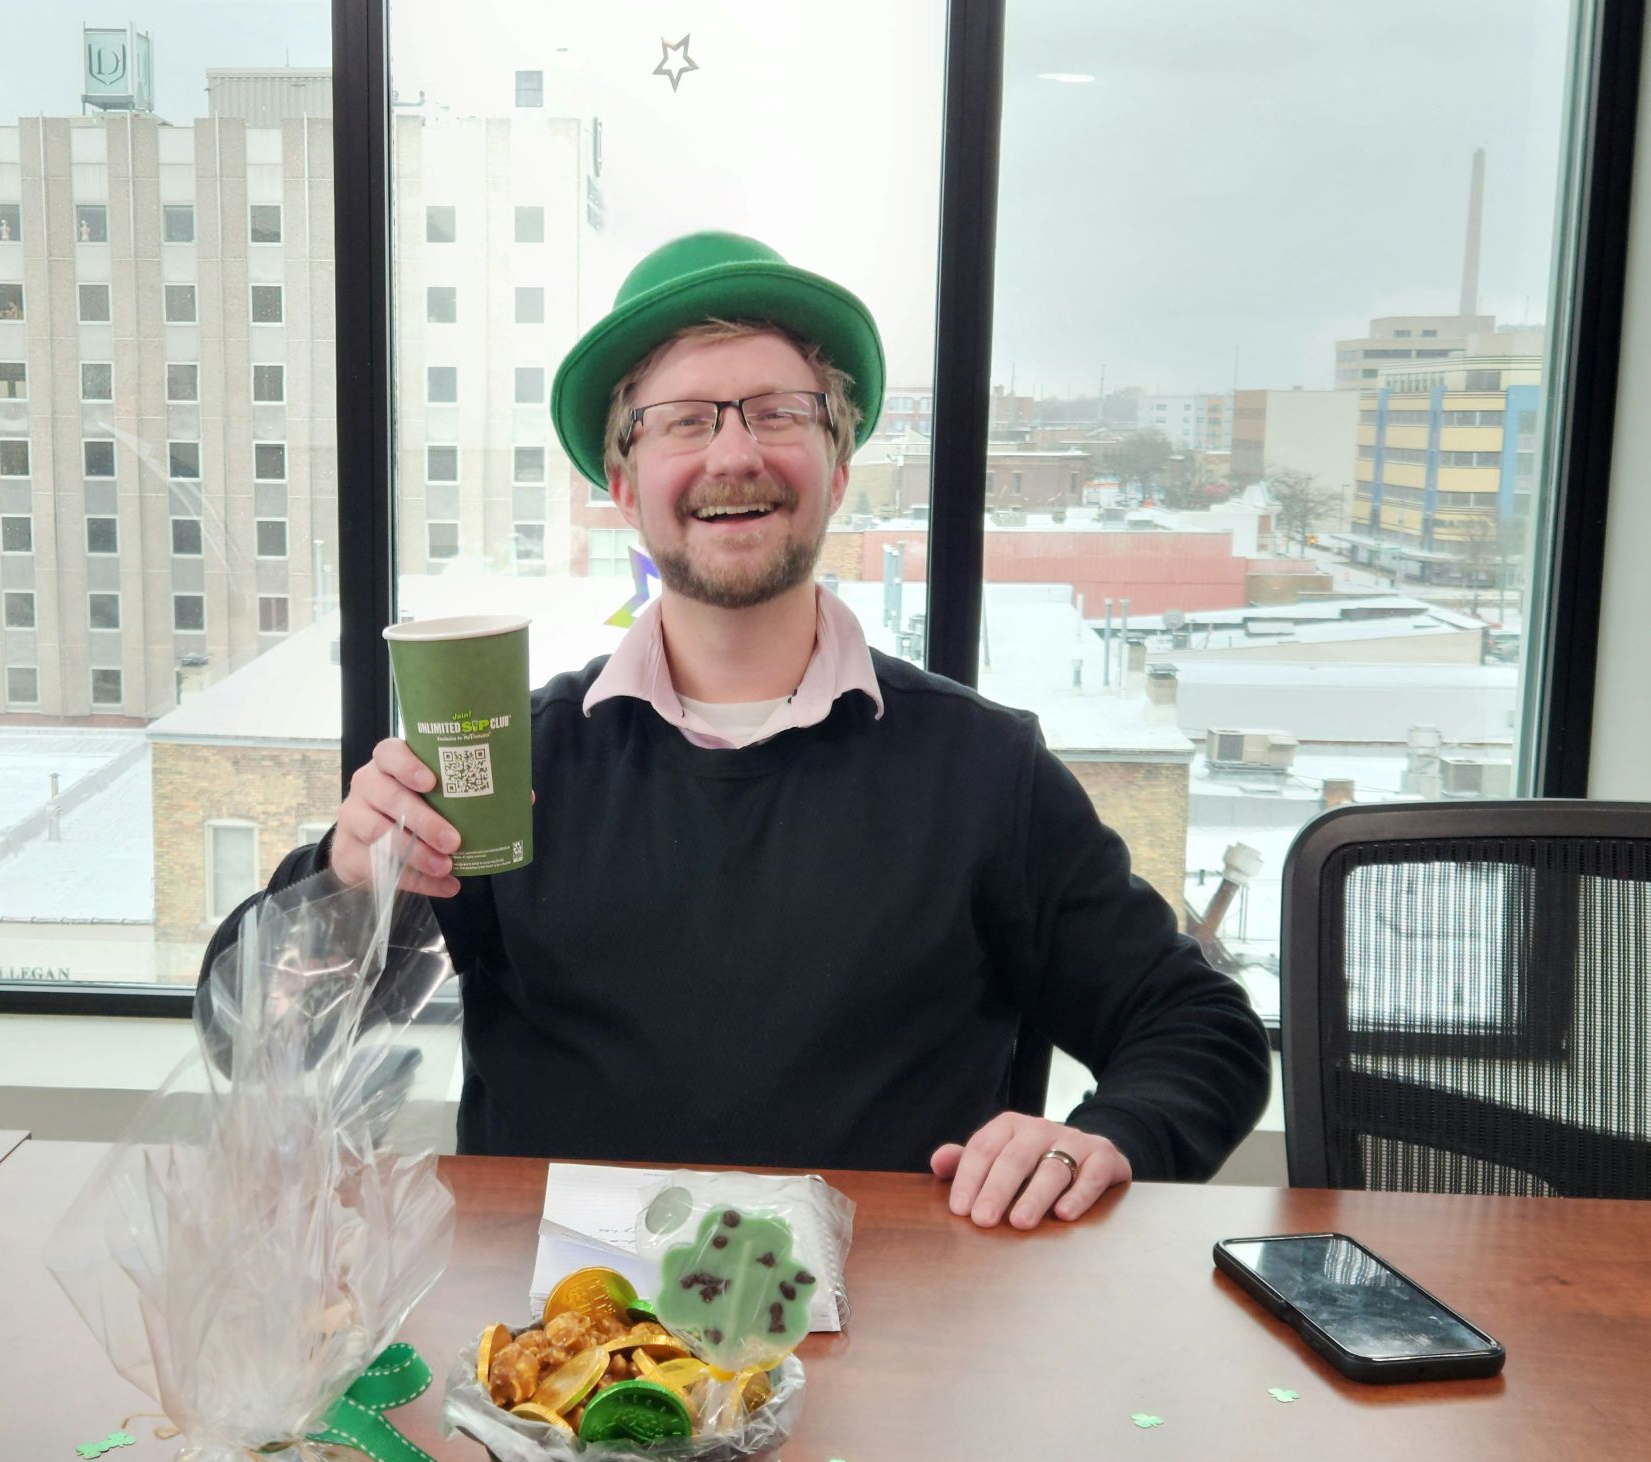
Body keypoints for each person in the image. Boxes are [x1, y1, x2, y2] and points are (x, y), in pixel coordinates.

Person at [200, 231, 1270, 1229]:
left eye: (777, 413)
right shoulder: (514, 768)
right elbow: (255, 1040)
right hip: (568, 1347)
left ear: (838, 469)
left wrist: (1105, 1138)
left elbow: (1199, 1027)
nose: (734, 453)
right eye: (684, 420)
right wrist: (348, 882)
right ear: (623, 485)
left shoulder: (985, 771)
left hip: (899, 1337)